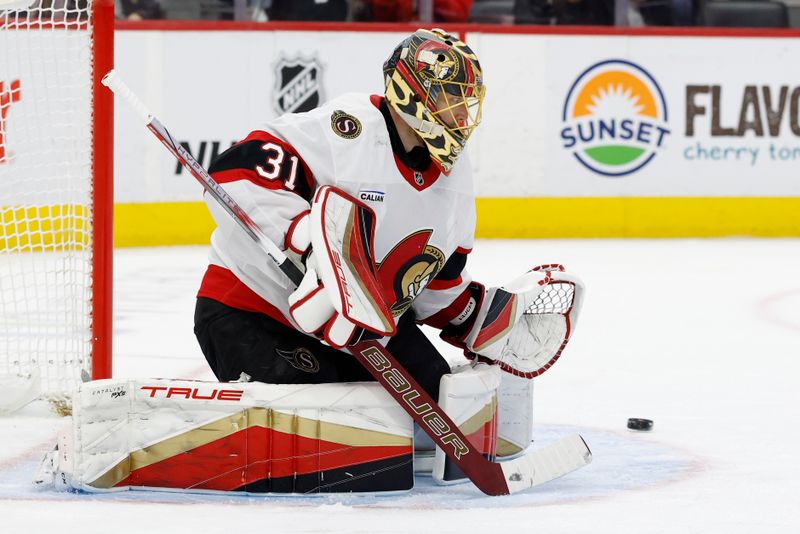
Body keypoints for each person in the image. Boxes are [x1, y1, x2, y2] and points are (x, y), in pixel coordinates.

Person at [194, 28, 577, 402]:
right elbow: (233, 172)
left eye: (466, 102)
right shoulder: (350, 131)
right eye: (450, 97)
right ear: (413, 91)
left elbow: (435, 286)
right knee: (325, 421)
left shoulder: (456, 178)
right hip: (251, 310)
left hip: (364, 326)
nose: (461, 114)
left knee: (438, 401)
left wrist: (478, 319)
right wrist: (311, 253)